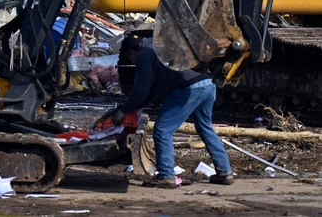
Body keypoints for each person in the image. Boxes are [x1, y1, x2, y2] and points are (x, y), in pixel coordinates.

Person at [96, 35, 234, 188]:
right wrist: (136, 107)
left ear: (131, 53)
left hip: (188, 88)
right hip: (208, 83)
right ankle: (225, 172)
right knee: (205, 128)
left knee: (162, 130)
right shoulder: (159, 45)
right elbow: (152, 91)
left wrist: (124, 110)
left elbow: (141, 90)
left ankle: (166, 176)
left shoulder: (145, 54)